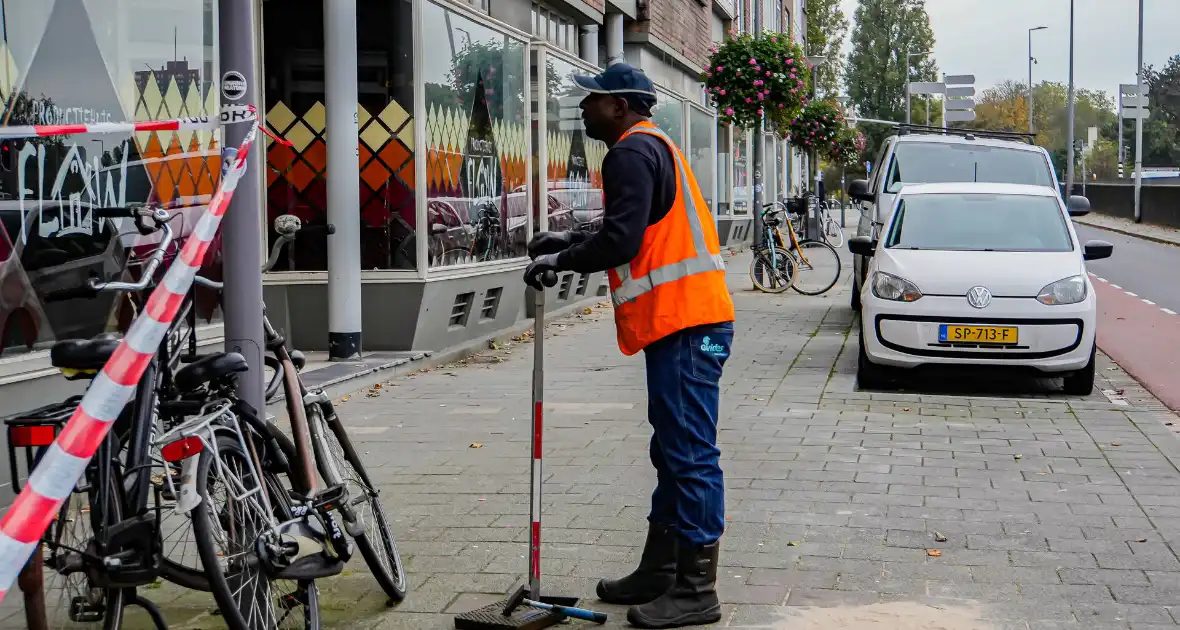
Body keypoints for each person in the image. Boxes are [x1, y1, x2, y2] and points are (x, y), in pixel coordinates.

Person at [523, 63, 736, 629]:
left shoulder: (629, 153)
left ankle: (697, 589)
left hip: (686, 329)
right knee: (674, 449)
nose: (583, 108)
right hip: (698, 328)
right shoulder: (653, 147)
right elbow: (636, 227)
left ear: (620, 105)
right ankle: (661, 569)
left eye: (591, 101)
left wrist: (559, 262)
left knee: (689, 453)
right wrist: (569, 239)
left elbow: (620, 241)